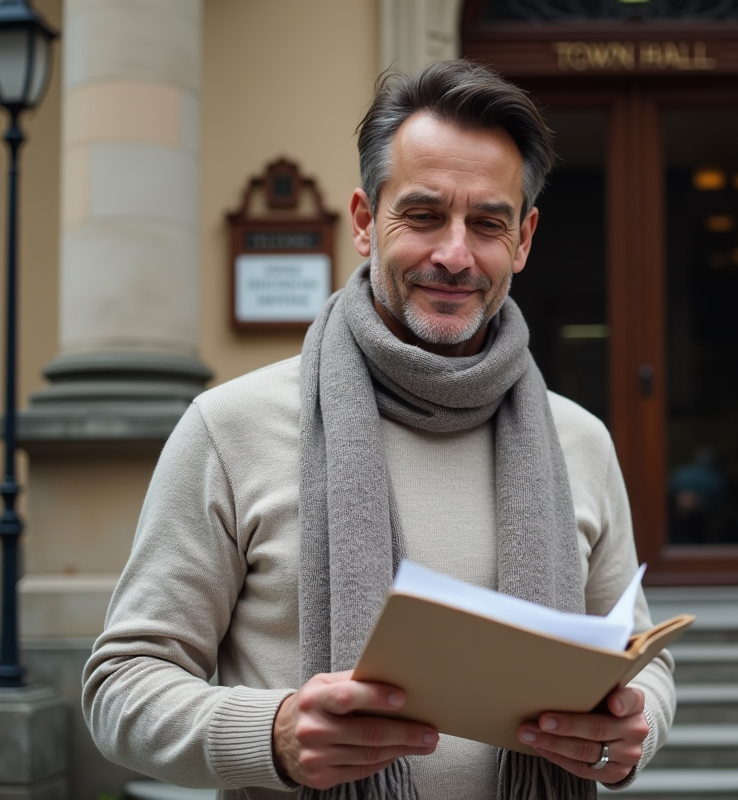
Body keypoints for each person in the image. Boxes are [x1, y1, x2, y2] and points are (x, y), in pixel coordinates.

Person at [82, 60, 676, 800]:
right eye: (423, 216)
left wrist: (632, 730)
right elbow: (120, 688)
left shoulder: (579, 440)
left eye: (487, 223)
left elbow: (641, 663)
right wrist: (273, 735)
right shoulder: (230, 428)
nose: (455, 255)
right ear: (366, 222)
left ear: (522, 241)